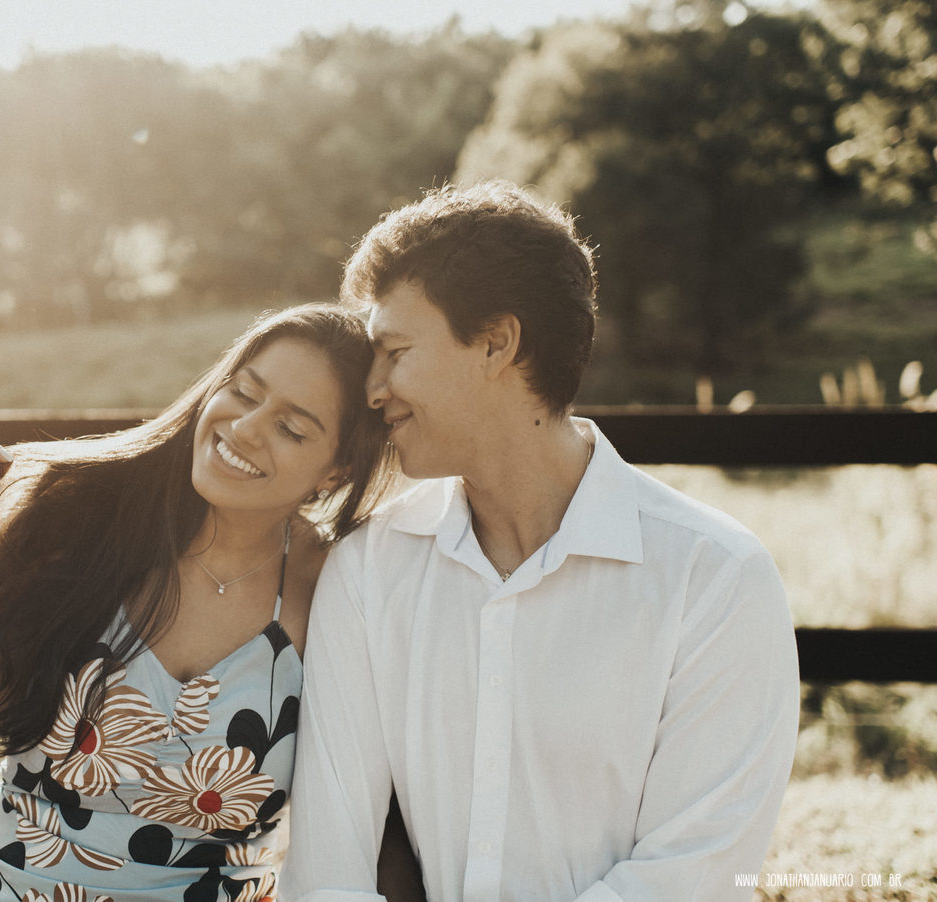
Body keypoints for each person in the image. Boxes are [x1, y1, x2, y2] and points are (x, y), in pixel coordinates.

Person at [281, 182, 800, 901]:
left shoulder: (714, 578)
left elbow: (692, 875)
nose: (371, 389)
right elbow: (327, 874)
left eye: (395, 351)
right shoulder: (370, 568)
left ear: (497, 343)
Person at [0, 304, 397, 901]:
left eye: (292, 428)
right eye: (244, 392)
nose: (246, 428)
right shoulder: (73, 525)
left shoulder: (340, 589)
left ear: (337, 470)